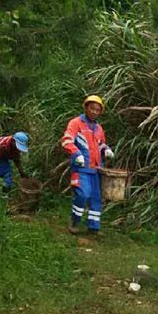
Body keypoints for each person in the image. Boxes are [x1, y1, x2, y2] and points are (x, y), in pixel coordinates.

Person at [61, 95, 114, 234]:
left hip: (96, 169)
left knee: (95, 198)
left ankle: (93, 227)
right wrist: (76, 153)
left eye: (98, 110)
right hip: (81, 168)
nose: (95, 112)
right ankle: (74, 222)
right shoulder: (75, 123)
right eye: (92, 109)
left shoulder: (99, 128)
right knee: (82, 194)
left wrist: (106, 149)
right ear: (86, 108)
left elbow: (100, 144)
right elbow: (67, 140)